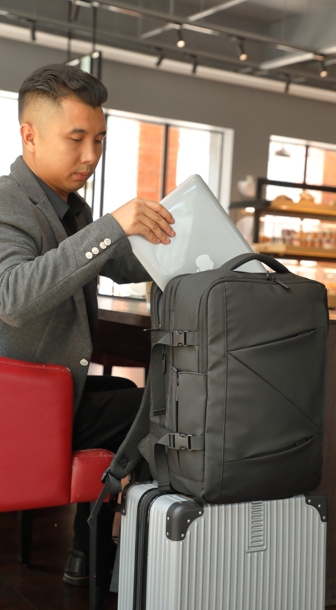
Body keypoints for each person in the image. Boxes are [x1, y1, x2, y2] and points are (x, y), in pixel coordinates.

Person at [0, 64, 175, 586]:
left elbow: (117, 262)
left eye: (98, 139)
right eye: (76, 139)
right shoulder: (7, 202)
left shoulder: (68, 208)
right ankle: (105, 555)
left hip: (44, 392)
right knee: (157, 410)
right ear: (29, 135)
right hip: (17, 409)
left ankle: (88, 550)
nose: (91, 155)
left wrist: (179, 244)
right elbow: (13, 297)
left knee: (131, 396)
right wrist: (112, 226)